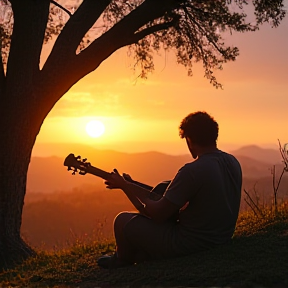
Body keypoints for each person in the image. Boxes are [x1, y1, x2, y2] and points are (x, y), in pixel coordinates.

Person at [97, 111, 242, 269]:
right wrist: (131, 185)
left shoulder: (192, 171)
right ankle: (140, 255)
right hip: (222, 236)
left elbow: (158, 214)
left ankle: (122, 259)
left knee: (122, 220)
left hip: (191, 242)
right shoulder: (232, 161)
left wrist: (126, 187)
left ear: (189, 139)